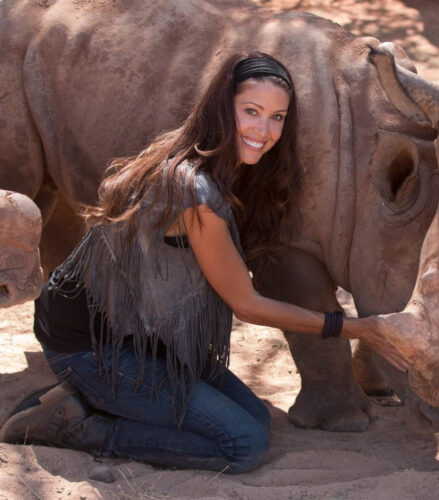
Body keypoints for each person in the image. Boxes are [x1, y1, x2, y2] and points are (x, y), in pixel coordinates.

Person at [0, 52, 407, 474]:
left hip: (145, 334)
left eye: (277, 117)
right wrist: (357, 329)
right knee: (242, 445)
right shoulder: (194, 192)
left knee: (255, 418)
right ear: (222, 106)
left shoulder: (223, 165)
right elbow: (245, 304)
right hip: (92, 343)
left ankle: (83, 401)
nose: (263, 130)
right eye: (251, 111)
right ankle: (81, 429)